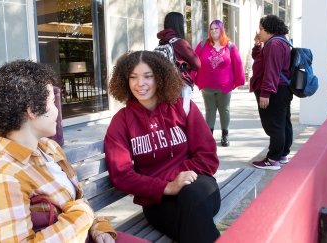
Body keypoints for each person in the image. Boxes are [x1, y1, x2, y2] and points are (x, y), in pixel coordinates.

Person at [0, 60, 147, 243]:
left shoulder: (49, 149)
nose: (57, 111)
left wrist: (99, 228)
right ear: (32, 111)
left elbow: (79, 201)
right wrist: (82, 217)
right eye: (52, 102)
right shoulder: (4, 177)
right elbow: (80, 211)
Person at [104, 51, 221, 243]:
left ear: (160, 77)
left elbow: (208, 158)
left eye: (148, 76)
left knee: (190, 197)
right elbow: (121, 175)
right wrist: (168, 186)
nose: (140, 83)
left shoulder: (182, 107)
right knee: (194, 224)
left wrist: (179, 180)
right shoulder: (122, 121)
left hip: (198, 187)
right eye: (133, 77)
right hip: (158, 201)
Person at [250, 15, 292, 170]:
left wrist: (265, 93)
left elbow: (271, 71)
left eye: (261, 28)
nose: (259, 31)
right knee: (283, 123)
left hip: (274, 91)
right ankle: (282, 154)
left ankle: (273, 159)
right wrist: (257, 44)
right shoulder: (278, 41)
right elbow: (259, 59)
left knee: (274, 125)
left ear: (269, 29)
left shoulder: (274, 44)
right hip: (281, 89)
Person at [193, 20, 245, 147]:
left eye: (216, 28)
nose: (214, 31)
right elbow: (193, 60)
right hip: (207, 85)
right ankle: (209, 137)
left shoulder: (230, 45)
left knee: (224, 110)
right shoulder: (203, 44)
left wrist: (239, 80)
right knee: (210, 110)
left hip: (225, 85)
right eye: (211, 29)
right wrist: (191, 77)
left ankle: (225, 135)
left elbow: (237, 63)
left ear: (221, 29)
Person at [157, 11, 201, 113]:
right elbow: (197, 64)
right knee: (183, 118)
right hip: (181, 85)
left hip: (165, 85)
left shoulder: (161, 42)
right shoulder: (180, 42)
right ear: (179, 25)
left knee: (170, 116)